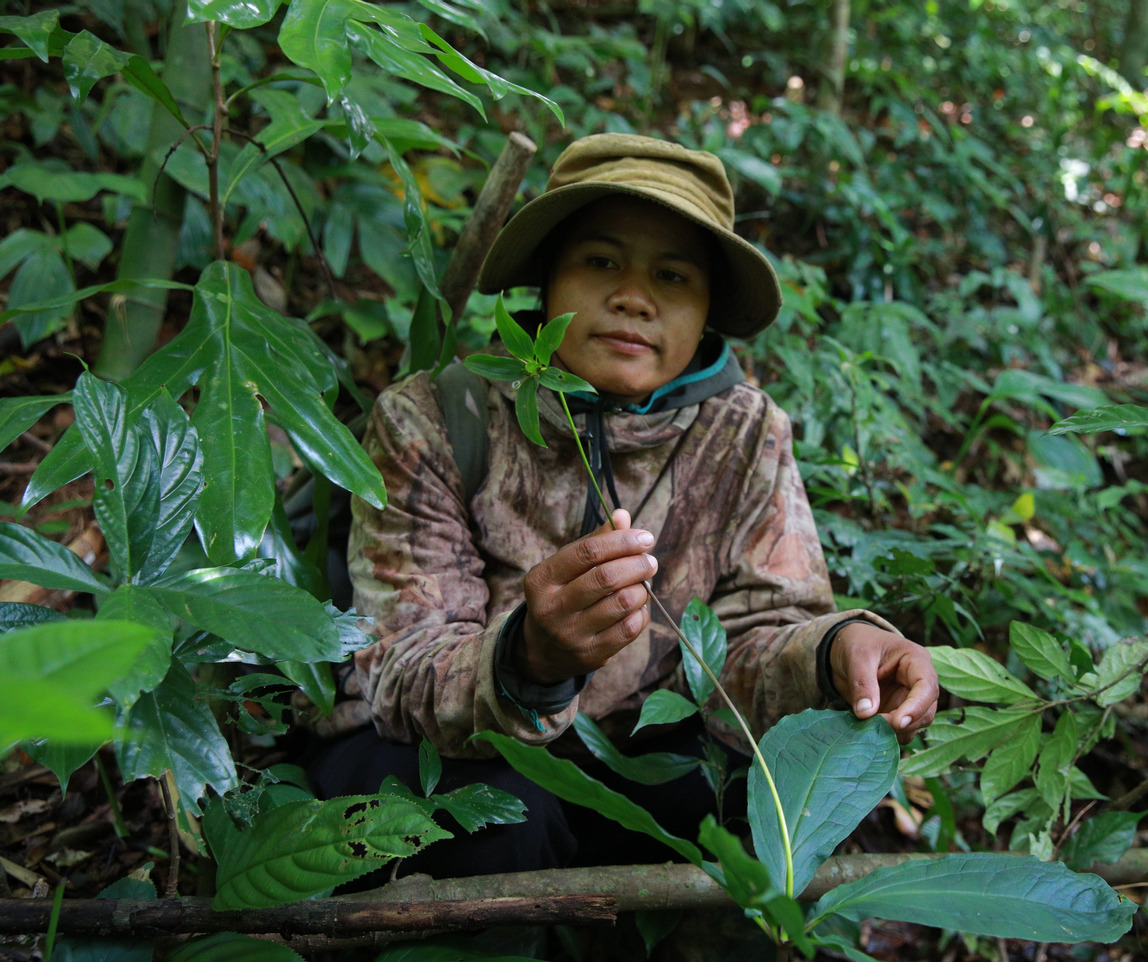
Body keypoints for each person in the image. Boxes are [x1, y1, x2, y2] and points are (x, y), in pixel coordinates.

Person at [307, 133, 939, 878]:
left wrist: (838, 652)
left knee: (755, 807)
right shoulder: (439, 416)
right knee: (502, 818)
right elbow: (396, 671)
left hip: (629, 752)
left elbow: (753, 637)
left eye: (672, 276)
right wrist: (529, 658)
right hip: (432, 752)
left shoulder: (743, 433)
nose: (633, 297)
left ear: (707, 312)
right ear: (548, 279)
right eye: (600, 261)